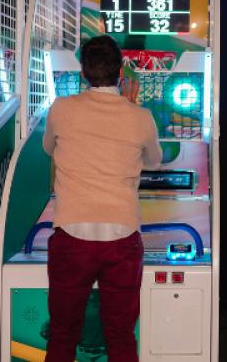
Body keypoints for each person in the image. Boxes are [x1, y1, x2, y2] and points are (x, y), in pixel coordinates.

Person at [40, 35, 158, 361]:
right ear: (120, 72)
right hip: (122, 237)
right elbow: (155, 160)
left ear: (83, 72)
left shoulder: (61, 109)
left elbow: (48, 148)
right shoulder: (140, 117)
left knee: (63, 332)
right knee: (120, 335)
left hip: (71, 237)